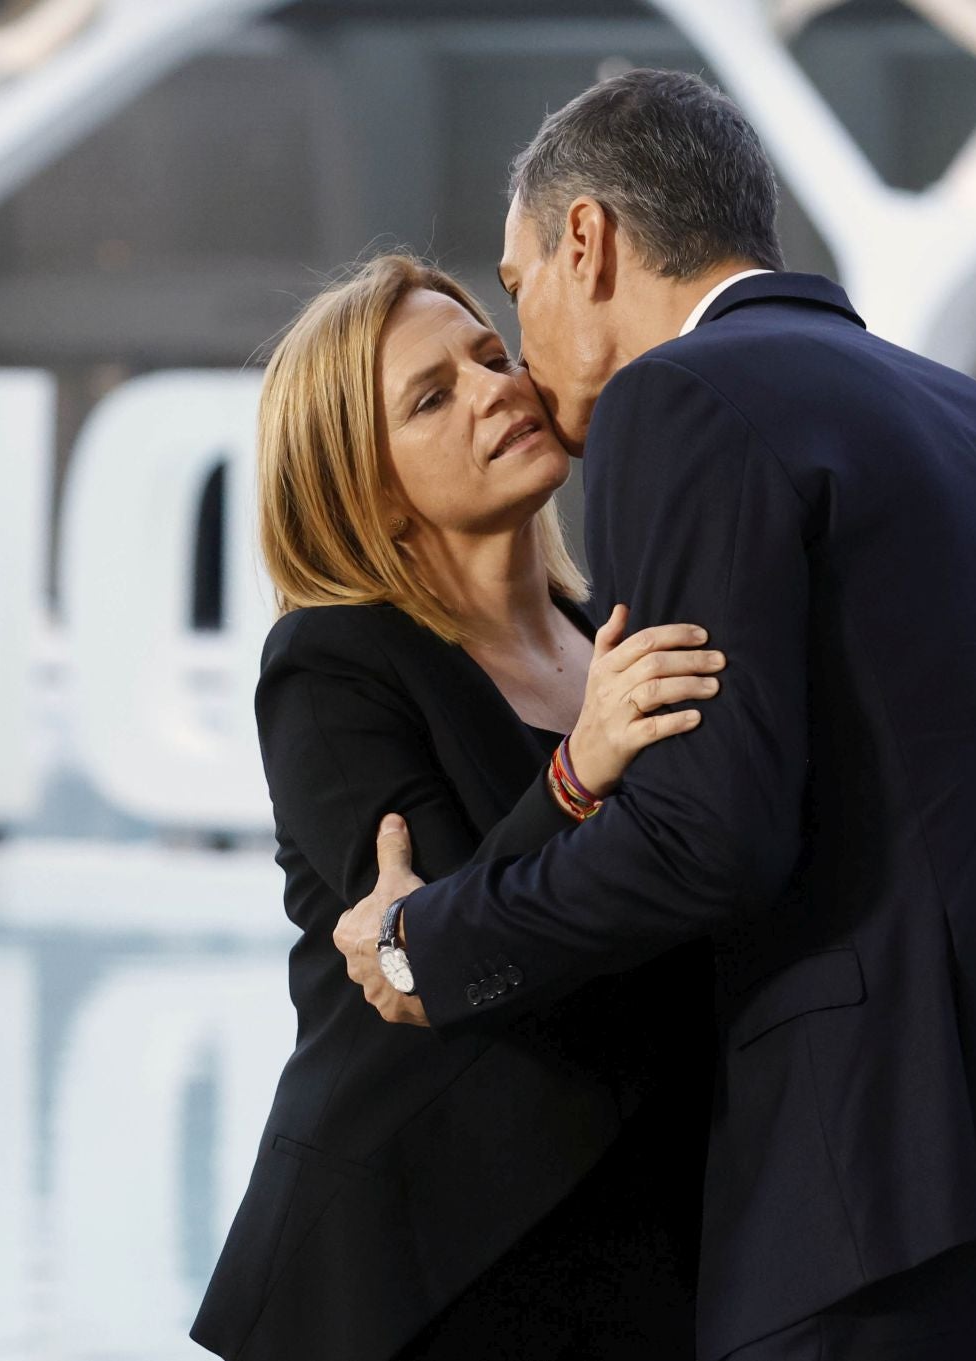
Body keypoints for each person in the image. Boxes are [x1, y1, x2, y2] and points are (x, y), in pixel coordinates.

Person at [333, 69, 976, 1361]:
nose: (522, 345)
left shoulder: (682, 400)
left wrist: (429, 946)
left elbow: (705, 834)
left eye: (517, 288)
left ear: (589, 242)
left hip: (876, 1187)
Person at [190, 253, 726, 1361]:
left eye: (490, 354)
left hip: (638, 1256)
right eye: (432, 397)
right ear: (367, 485)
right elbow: (444, 959)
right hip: (412, 1276)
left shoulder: (617, 635)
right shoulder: (333, 661)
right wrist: (579, 769)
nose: (497, 387)